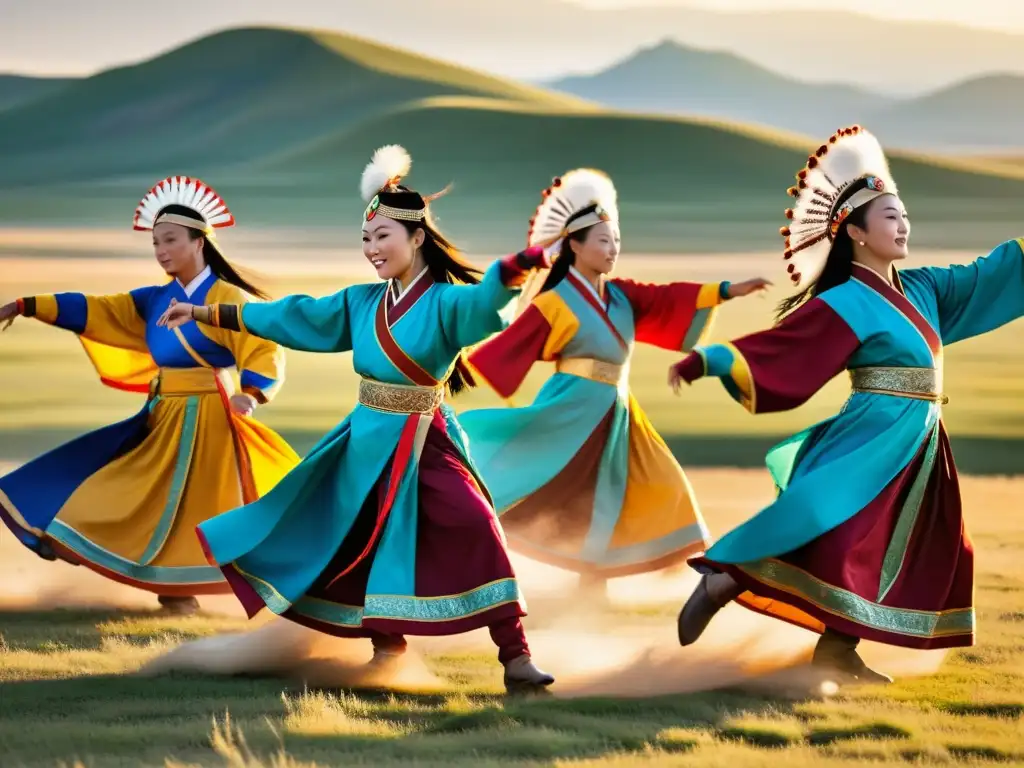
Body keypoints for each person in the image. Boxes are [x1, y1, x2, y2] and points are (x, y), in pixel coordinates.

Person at [156, 145, 555, 692]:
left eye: (382, 237)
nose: (371, 249)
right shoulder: (360, 303)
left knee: (474, 523)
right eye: (365, 240)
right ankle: (387, 650)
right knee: (356, 540)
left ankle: (516, 657)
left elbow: (486, 304)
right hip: (364, 440)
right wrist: (206, 310)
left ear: (417, 238)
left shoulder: (445, 302)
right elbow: (293, 316)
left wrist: (517, 267)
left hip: (424, 437)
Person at [672, 125, 1023, 683]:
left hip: (920, 443)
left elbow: (990, 277)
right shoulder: (846, 301)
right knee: (826, 520)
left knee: (888, 542)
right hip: (870, 434)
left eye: (905, 214)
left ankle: (838, 648)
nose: (903, 224)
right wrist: (710, 361)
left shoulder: (925, 289)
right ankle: (724, 577)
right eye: (890, 216)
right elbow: (783, 348)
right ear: (855, 231)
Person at [458, 168, 770, 596]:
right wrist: (459, 370)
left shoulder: (622, 295)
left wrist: (728, 290)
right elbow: (507, 346)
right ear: (574, 245)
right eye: (603, 241)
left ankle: (609, 579)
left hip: (617, 409)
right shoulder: (555, 302)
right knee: (530, 476)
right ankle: (471, 533)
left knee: (651, 481)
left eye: (617, 241)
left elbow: (667, 298)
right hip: (569, 408)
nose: (612, 250)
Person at [0, 177, 298, 615]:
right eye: (156, 242)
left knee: (195, 506)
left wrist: (251, 392)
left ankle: (181, 592)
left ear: (200, 241)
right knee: (128, 486)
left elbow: (262, 344)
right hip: (163, 414)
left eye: (171, 240)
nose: (161, 250)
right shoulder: (155, 299)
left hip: (212, 419)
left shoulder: (226, 297)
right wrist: (30, 304)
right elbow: (99, 309)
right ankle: (68, 537)